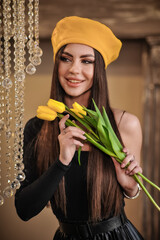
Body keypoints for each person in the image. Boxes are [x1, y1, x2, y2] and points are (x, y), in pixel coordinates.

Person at [15, 16, 144, 239]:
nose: (74, 69)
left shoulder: (125, 124)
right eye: (66, 59)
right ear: (57, 64)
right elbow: (24, 210)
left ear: (100, 69)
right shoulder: (37, 128)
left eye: (87, 61)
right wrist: (62, 161)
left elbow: (132, 189)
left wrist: (129, 184)